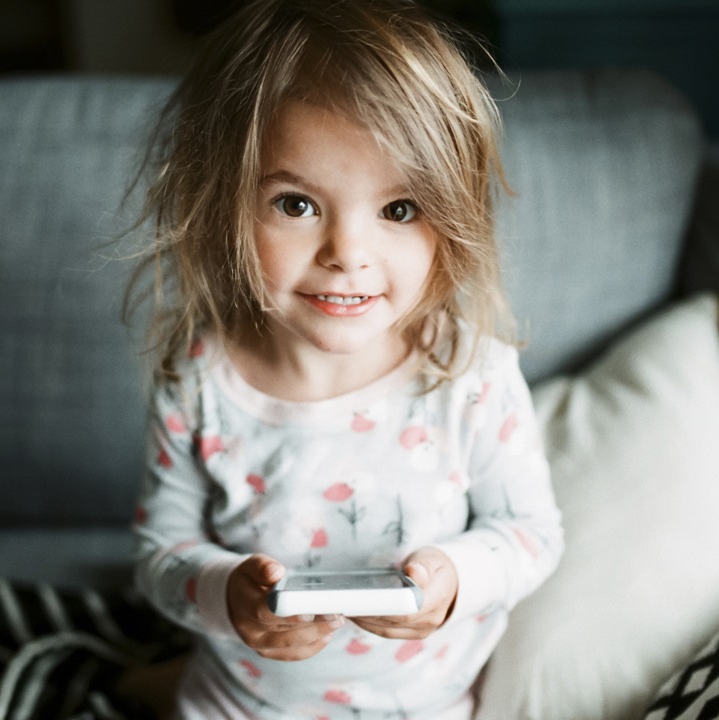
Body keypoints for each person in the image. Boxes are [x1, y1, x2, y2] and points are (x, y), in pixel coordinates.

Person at [127, 1, 563, 717]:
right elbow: (158, 553)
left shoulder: (467, 373)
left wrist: (454, 578)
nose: (347, 255)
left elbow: (531, 534)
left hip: (428, 707)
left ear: (450, 222)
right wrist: (224, 592)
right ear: (223, 205)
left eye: (398, 210)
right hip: (235, 706)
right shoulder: (202, 381)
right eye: (296, 204)